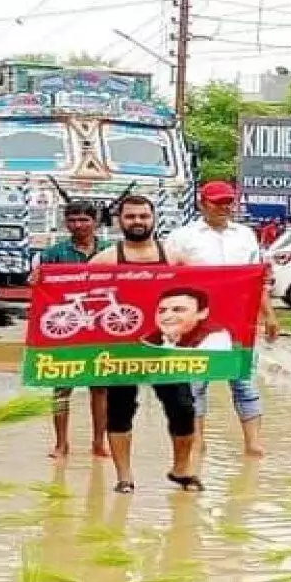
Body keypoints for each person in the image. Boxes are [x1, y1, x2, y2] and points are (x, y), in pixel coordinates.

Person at [90, 196, 203, 493]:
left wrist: (257, 280)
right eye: (130, 217)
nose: (137, 222)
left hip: (167, 348)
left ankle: (181, 470)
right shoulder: (106, 259)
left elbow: (210, 285)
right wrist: (41, 280)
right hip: (122, 350)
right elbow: (73, 286)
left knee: (183, 408)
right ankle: (124, 477)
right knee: (120, 410)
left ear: (153, 219)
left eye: (143, 216)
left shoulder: (174, 256)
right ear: (119, 221)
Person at [167, 181, 277, 457]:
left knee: (244, 380)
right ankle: (197, 440)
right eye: (217, 202)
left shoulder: (246, 235)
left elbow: (257, 279)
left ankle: (253, 443)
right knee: (195, 382)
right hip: (196, 321)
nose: (224, 207)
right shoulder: (182, 237)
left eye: (228, 201)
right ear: (202, 203)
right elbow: (167, 279)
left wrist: (269, 315)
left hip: (239, 319)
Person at [36, 200, 110, 459]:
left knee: (100, 388)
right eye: (72, 220)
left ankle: (99, 442)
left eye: (84, 220)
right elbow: (41, 289)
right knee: (61, 386)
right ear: (65, 222)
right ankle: (61, 443)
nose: (78, 225)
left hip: (101, 329)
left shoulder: (111, 250)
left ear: (96, 222)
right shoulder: (53, 254)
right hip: (65, 328)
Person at [141, 287, 234, 350]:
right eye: (162, 310)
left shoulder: (215, 337)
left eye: (178, 310)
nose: (167, 316)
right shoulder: (149, 340)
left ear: (202, 313)